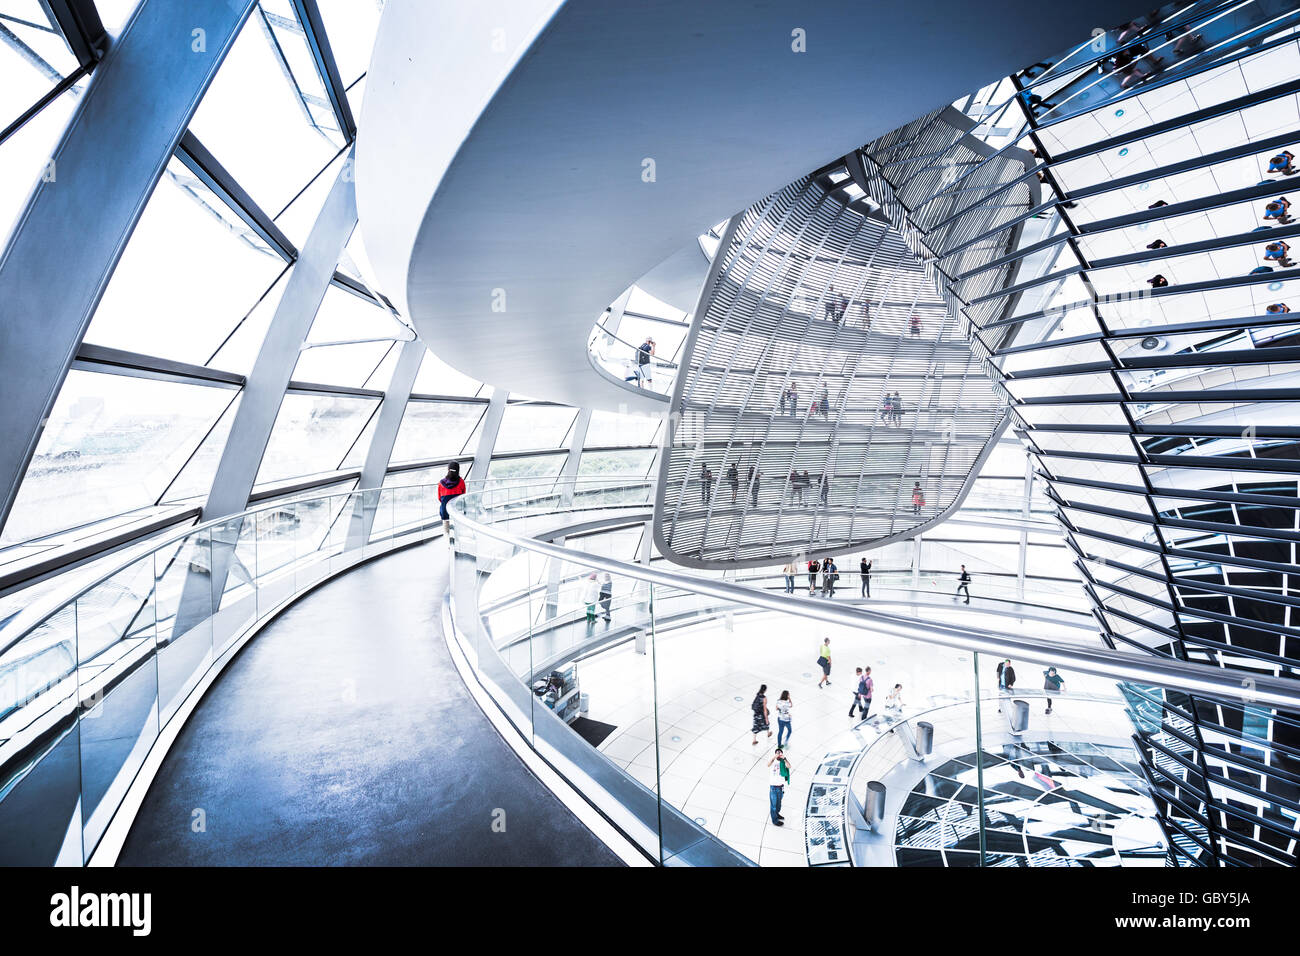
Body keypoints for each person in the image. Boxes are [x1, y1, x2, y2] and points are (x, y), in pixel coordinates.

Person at [437, 461, 466, 537]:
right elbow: (463, 495)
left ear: (448, 469)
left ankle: (448, 541)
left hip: (445, 510)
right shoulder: (461, 482)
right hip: (457, 510)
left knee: (446, 531)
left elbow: (439, 498)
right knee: (457, 526)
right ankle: (457, 539)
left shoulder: (441, 483)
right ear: (458, 470)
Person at [768, 748, 791, 825]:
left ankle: (777, 814)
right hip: (773, 788)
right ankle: (775, 820)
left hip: (780, 787)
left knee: (778, 804)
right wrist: (774, 757)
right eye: (777, 752)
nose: (779, 754)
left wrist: (784, 759)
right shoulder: (773, 761)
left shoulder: (783, 762)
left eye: (780, 752)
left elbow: (789, 766)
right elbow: (768, 764)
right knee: (773, 805)